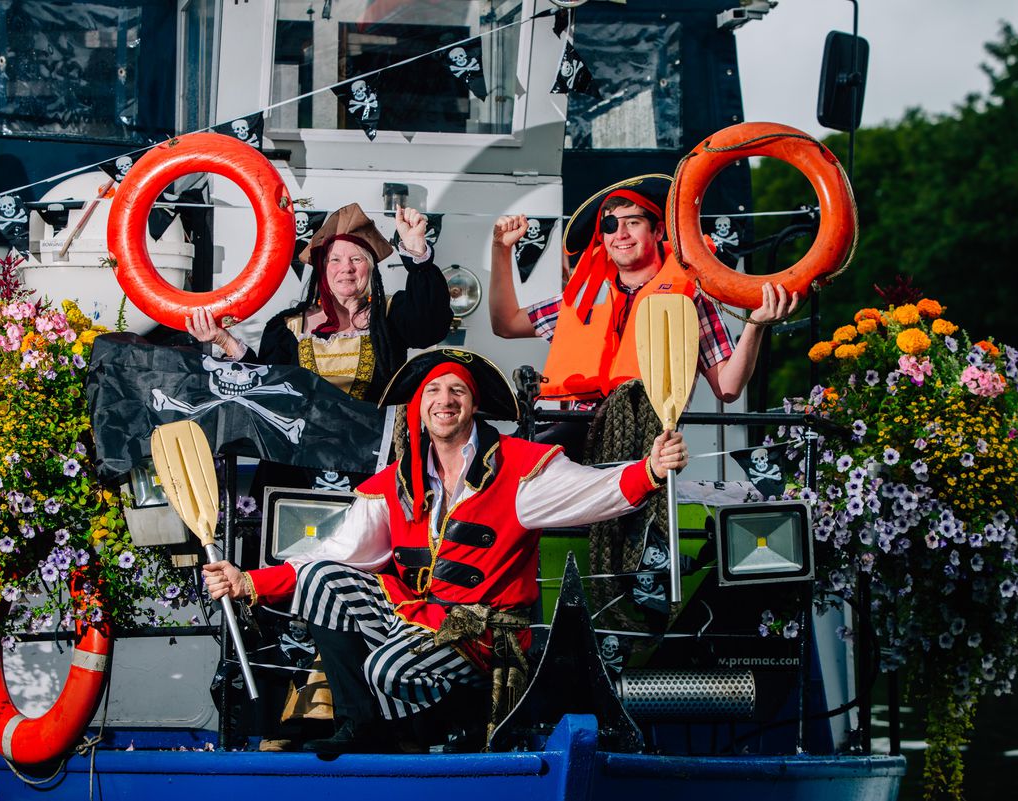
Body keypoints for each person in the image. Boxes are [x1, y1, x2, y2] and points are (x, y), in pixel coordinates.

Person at [202, 348, 689, 754]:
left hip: (485, 634)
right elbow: (338, 552)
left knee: (386, 667)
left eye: (456, 389)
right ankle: (361, 726)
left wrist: (649, 469)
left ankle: (429, 732)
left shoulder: (520, 467)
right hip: (414, 616)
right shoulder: (394, 483)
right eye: (432, 391)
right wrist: (251, 581)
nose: (444, 400)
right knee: (320, 579)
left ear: (473, 404)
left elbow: (592, 491)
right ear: (418, 408)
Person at [489, 175, 798, 406]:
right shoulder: (584, 297)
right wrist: (501, 250)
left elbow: (728, 388)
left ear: (658, 231)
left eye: (633, 222)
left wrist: (756, 324)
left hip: (645, 450)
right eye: (610, 226)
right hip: (572, 443)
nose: (620, 234)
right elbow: (506, 324)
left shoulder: (688, 299)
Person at [186, 203, 452, 402]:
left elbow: (431, 327)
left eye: (356, 259)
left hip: (373, 459)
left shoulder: (391, 316)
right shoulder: (288, 327)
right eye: (335, 260)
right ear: (322, 269)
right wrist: (224, 341)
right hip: (302, 461)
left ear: (370, 269)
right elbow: (264, 388)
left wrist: (417, 252)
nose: (345, 268)